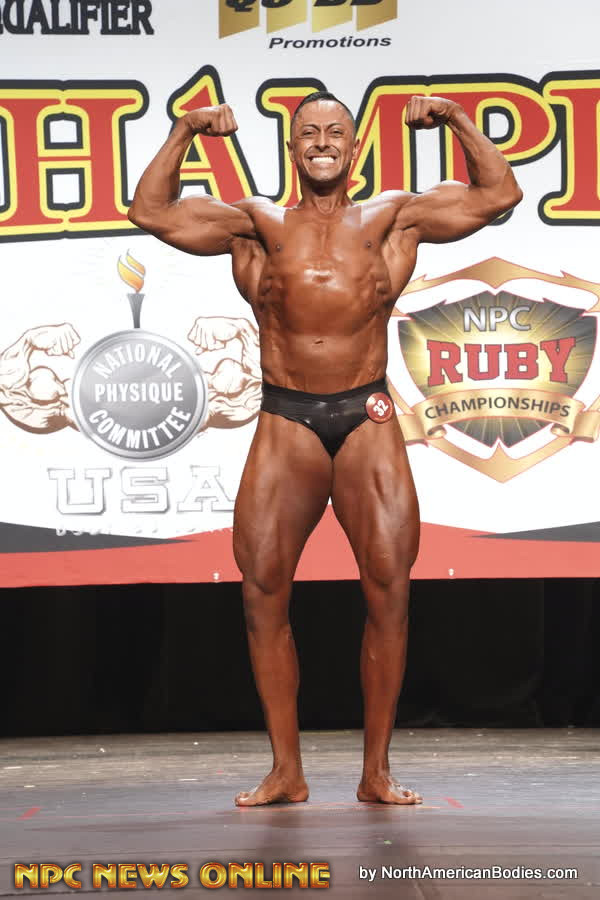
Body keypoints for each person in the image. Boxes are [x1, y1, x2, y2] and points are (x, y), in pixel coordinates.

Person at [128, 91, 522, 806]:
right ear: (292, 146)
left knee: (390, 590)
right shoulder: (256, 224)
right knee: (261, 592)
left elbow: (499, 195)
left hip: (367, 420)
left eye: (334, 132)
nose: (321, 142)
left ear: (354, 146)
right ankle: (287, 770)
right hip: (287, 421)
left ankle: (376, 772)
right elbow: (150, 211)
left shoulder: (393, 218)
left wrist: (456, 119)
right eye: (308, 132)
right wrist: (185, 128)